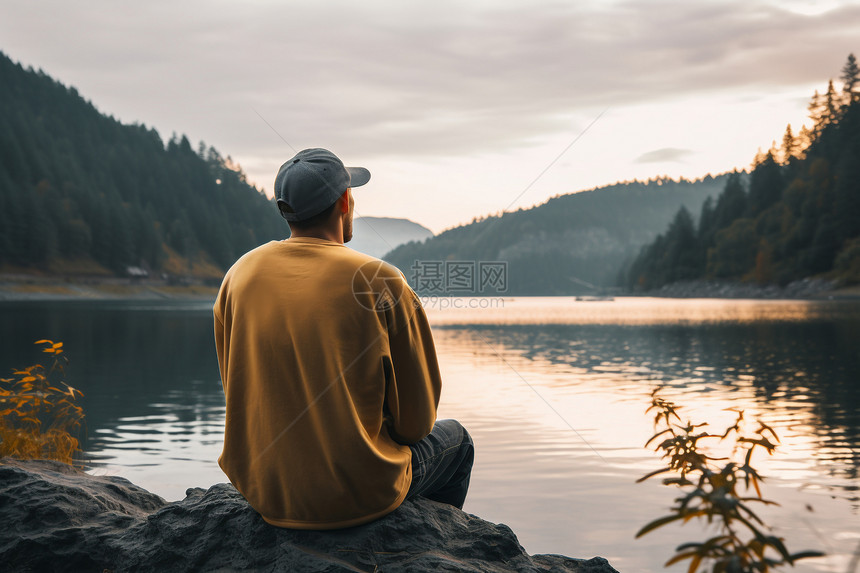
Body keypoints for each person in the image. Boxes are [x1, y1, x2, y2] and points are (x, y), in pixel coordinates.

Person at [214, 148, 474, 530]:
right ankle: (440, 542)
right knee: (457, 441)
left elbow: (237, 389)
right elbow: (416, 425)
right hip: (356, 497)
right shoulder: (379, 280)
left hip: (264, 491)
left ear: (287, 210)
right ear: (344, 202)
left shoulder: (239, 275)